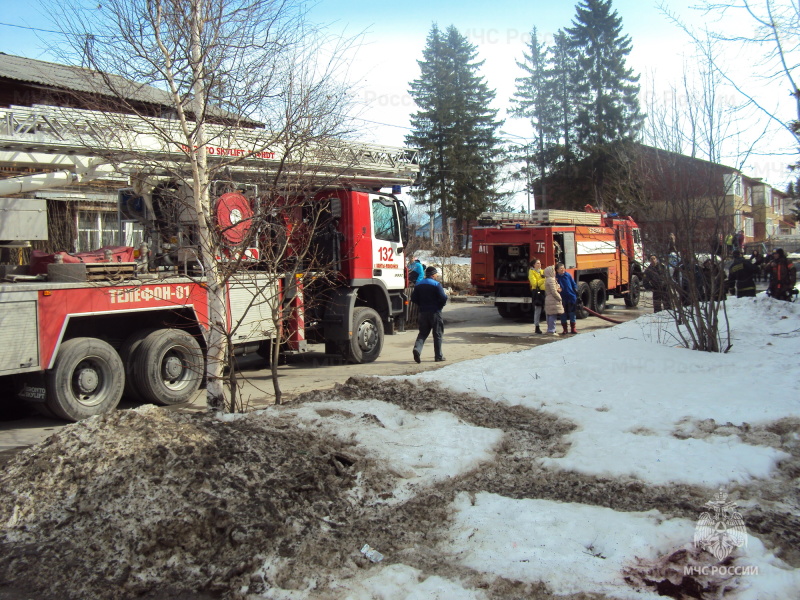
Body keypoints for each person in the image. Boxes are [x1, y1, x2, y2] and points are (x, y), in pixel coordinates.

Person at [411, 266, 448, 362]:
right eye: (436, 274)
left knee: (423, 333)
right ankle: (438, 356)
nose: (437, 275)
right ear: (433, 274)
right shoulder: (436, 284)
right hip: (435, 312)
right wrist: (440, 306)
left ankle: (417, 349)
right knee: (437, 334)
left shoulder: (419, 284)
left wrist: (421, 305)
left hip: (423, 312)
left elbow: (413, 298)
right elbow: (443, 298)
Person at [555, 262, 578, 334]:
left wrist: (576, 290)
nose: (563, 270)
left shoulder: (568, 275)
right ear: (557, 270)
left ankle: (573, 328)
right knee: (563, 314)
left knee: (572, 313)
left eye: (563, 268)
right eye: (561, 268)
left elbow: (573, 284)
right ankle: (565, 329)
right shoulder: (556, 278)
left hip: (571, 297)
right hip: (562, 298)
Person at [543, 265, 563, 335]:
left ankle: (550, 329)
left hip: (549, 298)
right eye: (553, 271)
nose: (554, 272)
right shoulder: (551, 280)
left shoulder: (548, 279)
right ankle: (551, 330)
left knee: (549, 314)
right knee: (552, 315)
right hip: (552, 299)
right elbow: (553, 291)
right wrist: (559, 298)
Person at [528, 258, 546, 334]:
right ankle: (537, 327)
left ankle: (551, 327)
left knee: (548, 309)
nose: (539, 264)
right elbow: (534, 284)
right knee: (538, 310)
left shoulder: (542, 271)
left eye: (540, 263)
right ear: (533, 265)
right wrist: (543, 279)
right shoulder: (531, 272)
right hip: (537, 292)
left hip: (545, 292)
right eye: (537, 263)